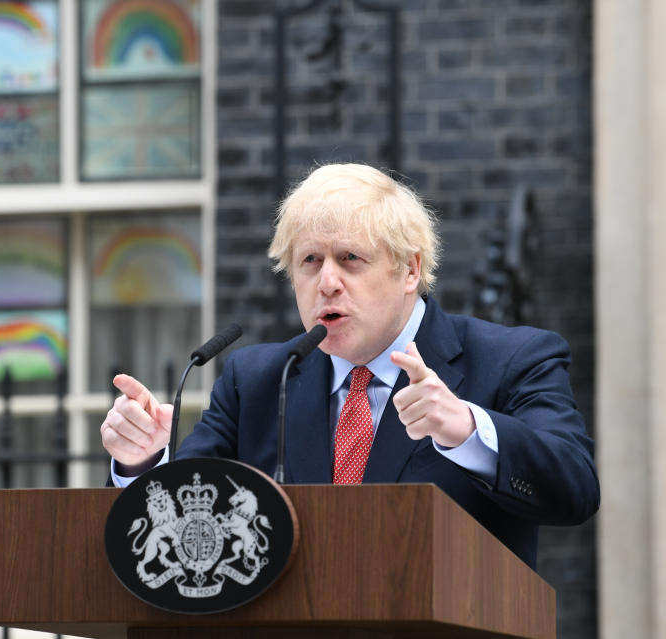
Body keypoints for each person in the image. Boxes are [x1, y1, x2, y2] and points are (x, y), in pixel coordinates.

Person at [99, 163, 599, 568]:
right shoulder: (256, 381)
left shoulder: (511, 359)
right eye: (310, 261)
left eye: (351, 259)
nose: (327, 282)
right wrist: (141, 463)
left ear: (410, 270)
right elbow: (184, 528)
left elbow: (574, 490)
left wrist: (466, 429)